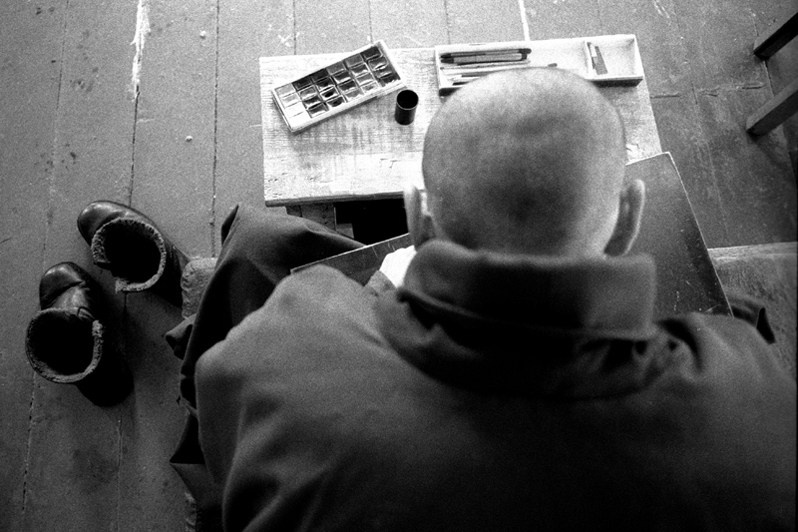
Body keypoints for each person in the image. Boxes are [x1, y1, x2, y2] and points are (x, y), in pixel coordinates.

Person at [41, 68, 792, 530]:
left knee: (262, 249)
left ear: (414, 216)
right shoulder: (752, 407)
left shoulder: (292, 343)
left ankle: (167, 304)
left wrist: (377, 299)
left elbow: (224, 447)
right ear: (628, 218)